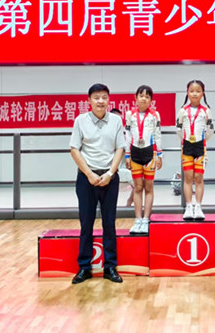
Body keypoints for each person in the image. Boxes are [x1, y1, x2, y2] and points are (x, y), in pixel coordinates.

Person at [69, 83, 125, 284]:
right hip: (87, 179)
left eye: (104, 97)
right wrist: (89, 174)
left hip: (110, 178)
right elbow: (74, 149)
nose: (101, 101)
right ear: (89, 101)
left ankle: (110, 267)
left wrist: (110, 173)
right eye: (96, 97)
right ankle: (84, 268)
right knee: (86, 223)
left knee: (109, 223)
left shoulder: (116, 120)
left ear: (109, 100)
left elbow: (120, 149)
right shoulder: (80, 121)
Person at [124, 85, 163, 235]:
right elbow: (127, 135)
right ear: (136, 97)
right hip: (134, 153)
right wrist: (127, 155)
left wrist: (159, 155)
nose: (144, 99)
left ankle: (146, 219)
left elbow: (158, 135)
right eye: (141, 96)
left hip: (150, 154)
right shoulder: (130, 114)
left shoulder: (155, 115)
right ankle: (138, 219)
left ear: (151, 100)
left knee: (149, 187)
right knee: (137, 187)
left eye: (147, 97)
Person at [176, 79, 213, 221]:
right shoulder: (183, 111)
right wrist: (187, 139)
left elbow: (210, 130)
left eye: (198, 91)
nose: (195, 94)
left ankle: (198, 206)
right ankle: (188, 206)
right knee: (188, 177)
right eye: (192, 91)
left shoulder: (206, 111)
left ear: (203, 93)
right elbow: (178, 129)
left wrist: (201, 140)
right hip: (186, 146)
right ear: (187, 93)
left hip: (200, 146)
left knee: (198, 178)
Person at [110, 108, 134, 207]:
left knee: (141, 182)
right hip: (107, 169)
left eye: (120, 119)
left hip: (122, 169)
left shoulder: (125, 134)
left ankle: (129, 203)